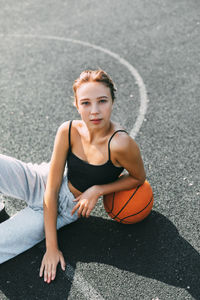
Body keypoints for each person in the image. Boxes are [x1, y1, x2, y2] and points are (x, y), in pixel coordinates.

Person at [0, 69, 146, 283]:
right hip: (42, 180)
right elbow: (51, 187)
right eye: (86, 103)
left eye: (102, 101)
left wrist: (98, 189)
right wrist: (51, 246)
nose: (94, 111)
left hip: (65, 208)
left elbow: (138, 177)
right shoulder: (68, 130)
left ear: (112, 101)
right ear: (77, 105)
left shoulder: (121, 144)